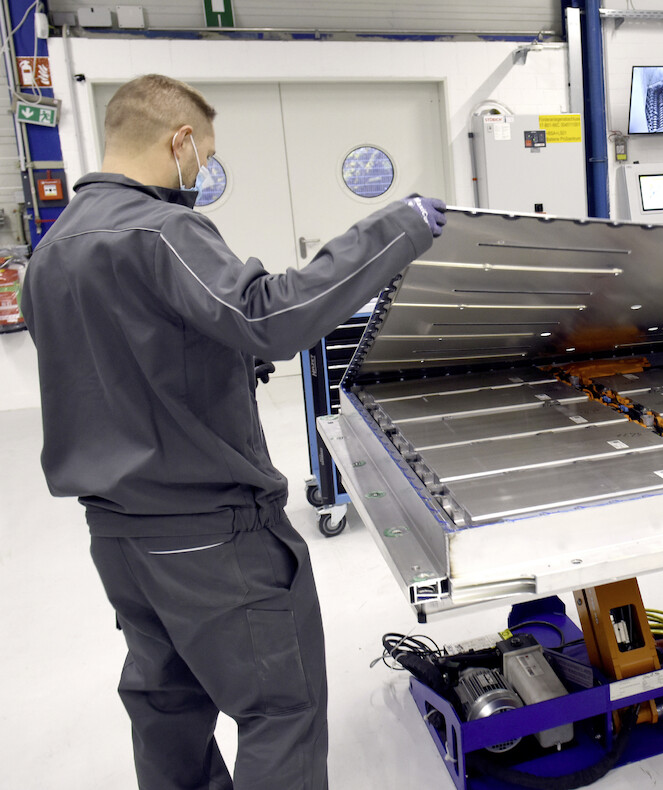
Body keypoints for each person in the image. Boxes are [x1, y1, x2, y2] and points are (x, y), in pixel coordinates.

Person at [22, 74, 447, 789]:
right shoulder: (162, 230)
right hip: (212, 537)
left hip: (119, 537)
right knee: (281, 712)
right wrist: (395, 229)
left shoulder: (53, 249)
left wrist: (219, 365)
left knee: (167, 709)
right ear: (180, 141)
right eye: (207, 156)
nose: (203, 172)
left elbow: (122, 363)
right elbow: (265, 315)